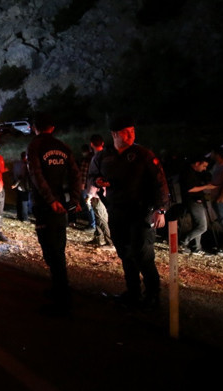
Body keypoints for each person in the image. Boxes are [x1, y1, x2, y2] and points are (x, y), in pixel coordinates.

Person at [87, 115, 170, 310]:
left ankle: (152, 295)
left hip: (142, 212)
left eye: (133, 131)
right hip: (117, 211)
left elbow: (160, 182)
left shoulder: (143, 155)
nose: (132, 135)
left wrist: (161, 209)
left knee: (143, 254)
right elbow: (92, 176)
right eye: (127, 132)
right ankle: (132, 292)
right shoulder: (103, 156)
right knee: (124, 253)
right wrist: (97, 181)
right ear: (115, 134)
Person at [26, 113, 82, 311]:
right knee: (58, 246)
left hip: (46, 205)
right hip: (61, 205)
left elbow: (36, 175)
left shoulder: (35, 146)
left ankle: (62, 299)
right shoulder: (63, 147)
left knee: (51, 250)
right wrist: (74, 200)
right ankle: (59, 289)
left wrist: (50, 201)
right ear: (53, 127)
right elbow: (76, 174)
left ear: (35, 127)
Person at [178, 156, 216, 254]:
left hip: (197, 201)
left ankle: (196, 247)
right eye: (204, 166)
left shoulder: (195, 173)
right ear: (197, 163)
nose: (204, 169)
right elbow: (190, 189)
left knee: (197, 225)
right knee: (202, 227)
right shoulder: (187, 172)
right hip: (193, 201)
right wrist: (206, 187)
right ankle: (183, 241)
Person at [85, 134, 113, 249]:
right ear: (102, 143)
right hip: (106, 192)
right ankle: (98, 237)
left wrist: (90, 195)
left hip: (98, 193)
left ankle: (110, 242)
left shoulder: (96, 158)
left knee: (101, 218)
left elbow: (94, 178)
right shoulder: (109, 156)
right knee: (99, 216)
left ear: (91, 144)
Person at [11, 151, 31, 222]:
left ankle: (19, 216)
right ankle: (25, 218)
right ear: (26, 157)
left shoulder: (16, 164)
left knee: (19, 201)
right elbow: (22, 176)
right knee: (24, 202)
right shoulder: (25, 164)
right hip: (23, 186)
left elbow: (13, 174)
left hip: (17, 185)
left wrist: (14, 183)